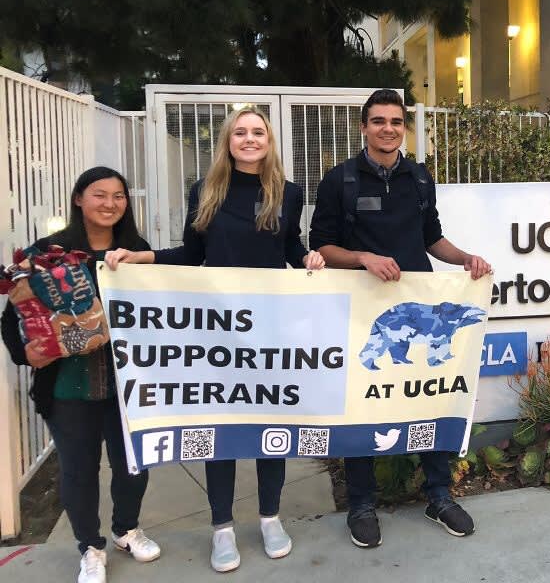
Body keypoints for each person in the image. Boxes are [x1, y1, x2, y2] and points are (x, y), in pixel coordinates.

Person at [106, 107, 326, 571]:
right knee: (219, 426)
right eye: (240, 132)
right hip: (219, 330)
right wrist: (141, 259)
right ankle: (222, 527)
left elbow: (290, 251)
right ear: (227, 141)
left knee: (273, 424)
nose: (249, 139)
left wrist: (309, 260)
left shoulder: (288, 193)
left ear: (269, 141)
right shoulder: (205, 190)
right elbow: (191, 253)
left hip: (271, 327)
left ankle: (270, 517)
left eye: (257, 132)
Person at [309, 88, 491, 548]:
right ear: (364, 127)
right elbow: (321, 247)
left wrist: (467, 257)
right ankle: (361, 504)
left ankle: (438, 494)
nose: (387, 129)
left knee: (428, 396)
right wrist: (364, 257)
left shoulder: (420, 178)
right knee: (364, 401)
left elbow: (432, 238)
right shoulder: (340, 180)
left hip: (420, 313)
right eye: (378, 121)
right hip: (363, 312)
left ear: (403, 128)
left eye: (395, 121)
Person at [1, 167, 160, 583]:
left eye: (119, 196)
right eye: (99, 194)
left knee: (132, 466)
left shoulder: (135, 249)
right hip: (68, 387)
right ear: (78, 199)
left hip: (127, 387)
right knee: (78, 470)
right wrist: (26, 353)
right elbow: (12, 317)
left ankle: (126, 529)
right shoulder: (47, 253)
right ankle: (90, 547)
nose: (110, 204)